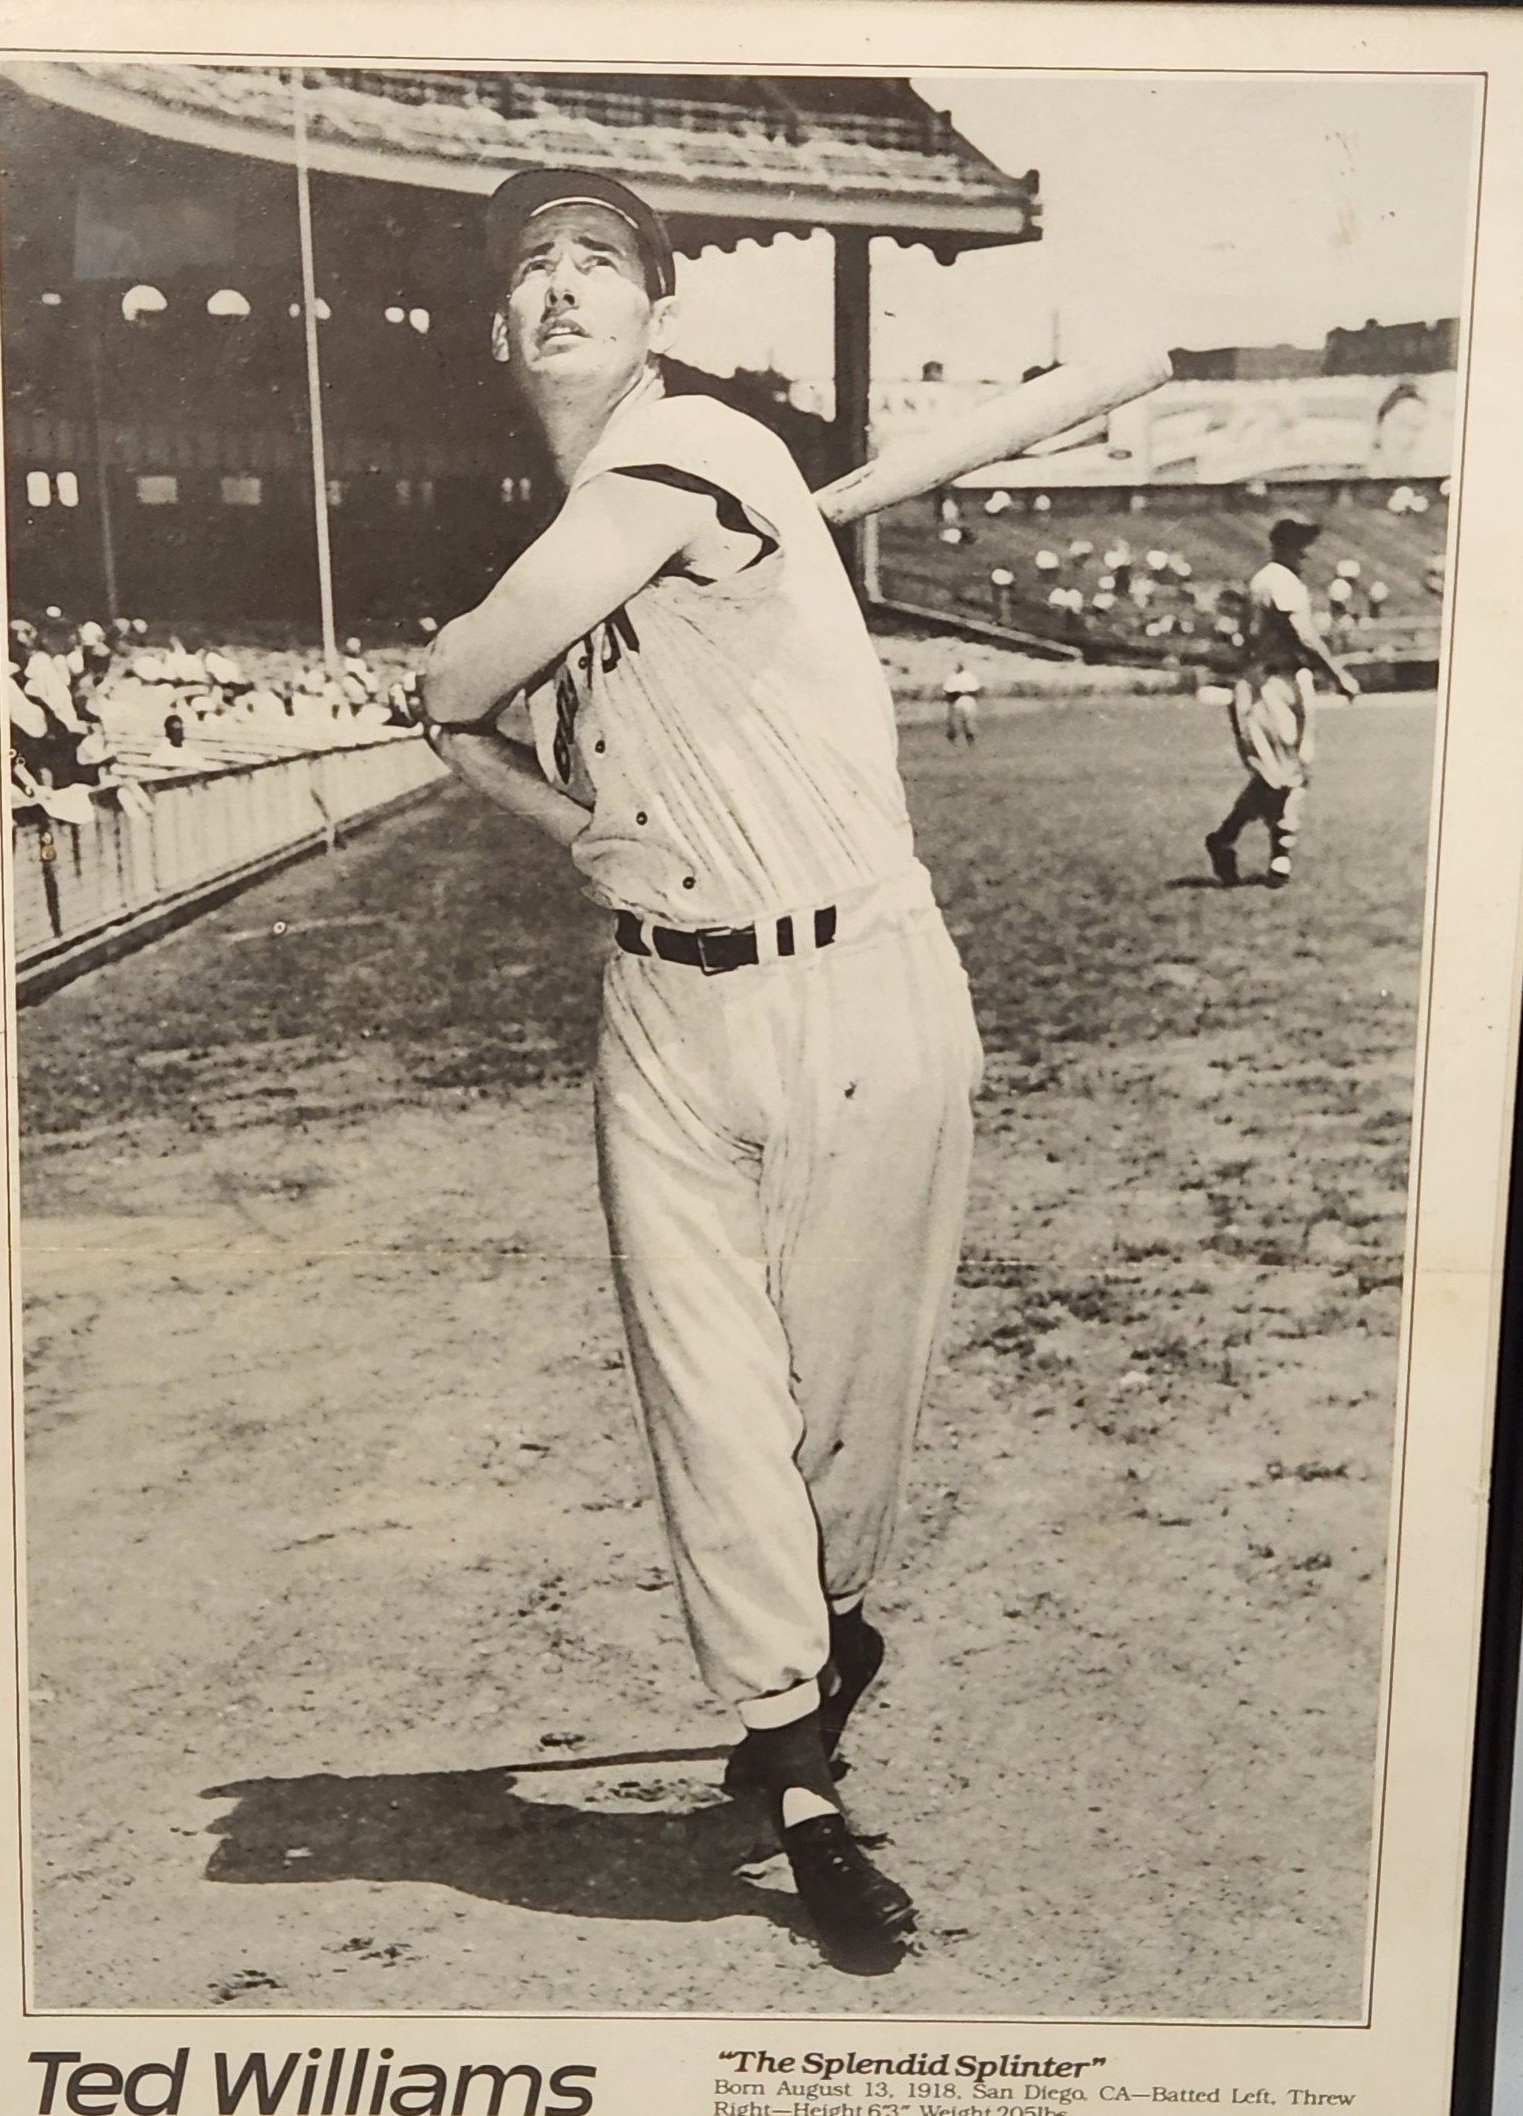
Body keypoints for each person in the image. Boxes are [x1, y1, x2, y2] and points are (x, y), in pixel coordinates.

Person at [419, 167, 983, 1971]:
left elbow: (457, 669)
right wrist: (571, 820)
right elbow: (479, 731)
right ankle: (804, 1782)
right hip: (663, 1006)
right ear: (505, 327)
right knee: (712, 1403)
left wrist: (463, 690)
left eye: (601, 258)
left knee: (845, 1419)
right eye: (533, 267)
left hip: (862, 975)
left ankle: (823, 1644)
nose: (565, 284)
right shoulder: (604, 528)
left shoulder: (704, 448)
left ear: (658, 308)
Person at [1205, 516, 1359, 889]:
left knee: (1290, 771)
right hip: (1270, 682)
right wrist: (1338, 674)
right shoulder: (1277, 579)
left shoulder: (1280, 579)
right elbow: (1302, 635)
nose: (1306, 552)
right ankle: (1273, 854)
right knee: (1280, 775)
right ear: (1284, 544)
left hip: (1288, 679)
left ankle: (1234, 841)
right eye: (1301, 543)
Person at [942, 658, 982, 746]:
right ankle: (958, 743)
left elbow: (975, 690)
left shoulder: (967, 676)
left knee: (967, 723)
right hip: (960, 701)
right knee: (959, 724)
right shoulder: (953, 677)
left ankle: (969, 743)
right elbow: (948, 692)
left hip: (966, 701)